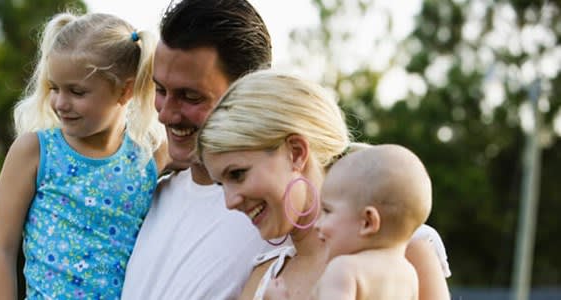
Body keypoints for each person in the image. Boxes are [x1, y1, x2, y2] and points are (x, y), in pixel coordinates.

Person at [197, 70, 451, 299]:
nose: (230, 202)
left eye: (238, 174)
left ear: (296, 152)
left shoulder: (404, 251)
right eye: (221, 184)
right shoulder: (263, 280)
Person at [0, 11, 167, 299]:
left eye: (77, 92)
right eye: (54, 88)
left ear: (125, 90)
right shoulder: (34, 151)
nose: (59, 103)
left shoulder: (151, 156)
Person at [120, 0, 274, 299]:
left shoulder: (277, 214)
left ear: (251, 90)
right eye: (161, 90)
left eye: (190, 97)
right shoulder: (149, 193)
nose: (165, 114)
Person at [263, 144, 434, 300]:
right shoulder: (409, 275)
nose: (317, 224)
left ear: (367, 222)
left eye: (328, 211)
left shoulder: (343, 270)